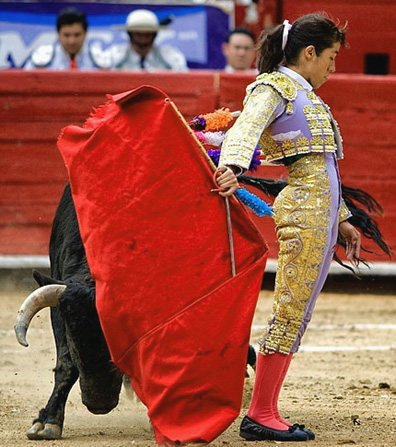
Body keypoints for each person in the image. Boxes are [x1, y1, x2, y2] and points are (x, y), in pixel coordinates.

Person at [216, 13, 362, 442]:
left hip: (319, 212)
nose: (333, 68)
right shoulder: (275, 87)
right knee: (290, 310)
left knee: (297, 310)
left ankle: (264, 409)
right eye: (331, 57)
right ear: (310, 52)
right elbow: (246, 128)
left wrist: (344, 218)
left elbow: (319, 167)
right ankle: (261, 413)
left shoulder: (303, 92)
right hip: (303, 212)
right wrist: (231, 167)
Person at [24, 7, 109, 70]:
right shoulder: (41, 60)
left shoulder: (101, 61)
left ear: (85, 33)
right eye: (66, 35)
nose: (72, 41)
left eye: (77, 35)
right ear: (58, 33)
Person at [115, 9, 188, 71]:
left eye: (147, 34)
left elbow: (183, 77)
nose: (143, 38)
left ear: (155, 35)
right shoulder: (115, 54)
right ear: (130, 34)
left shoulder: (170, 55)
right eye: (138, 33)